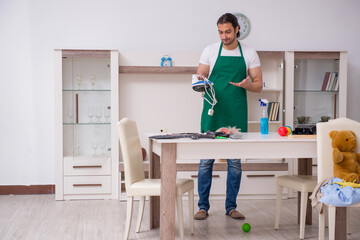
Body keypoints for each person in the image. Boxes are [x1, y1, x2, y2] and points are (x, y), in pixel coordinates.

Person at [194, 13, 263, 220]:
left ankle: (231, 207)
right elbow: (200, 78)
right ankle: (203, 207)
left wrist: (247, 85)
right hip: (212, 111)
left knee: (234, 162)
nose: (224, 36)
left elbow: (258, 85)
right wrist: (200, 81)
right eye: (220, 32)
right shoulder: (210, 51)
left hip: (236, 111)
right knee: (206, 161)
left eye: (228, 32)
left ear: (237, 30)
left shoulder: (249, 53)